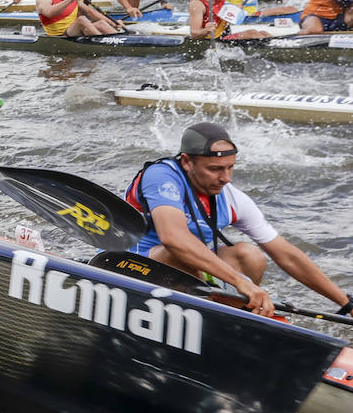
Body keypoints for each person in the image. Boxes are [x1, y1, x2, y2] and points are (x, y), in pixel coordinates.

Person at [124, 122, 353, 319]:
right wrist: (240, 282)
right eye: (214, 169)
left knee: (249, 254)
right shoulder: (161, 176)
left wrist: (345, 303)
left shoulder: (232, 198)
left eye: (230, 167)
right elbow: (174, 238)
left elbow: (288, 256)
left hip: (191, 279)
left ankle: (235, 313)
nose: (225, 178)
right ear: (186, 162)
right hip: (135, 268)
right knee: (177, 252)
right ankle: (228, 307)